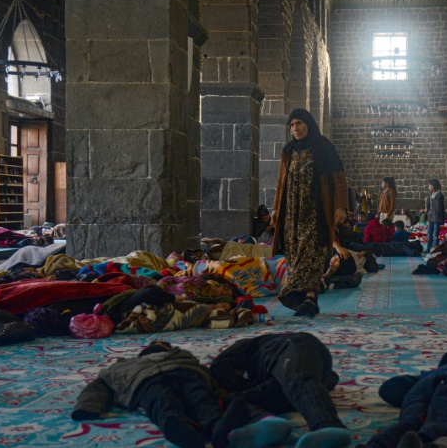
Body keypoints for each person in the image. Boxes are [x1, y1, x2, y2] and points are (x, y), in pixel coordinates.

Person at [72, 341, 227, 448]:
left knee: (200, 396)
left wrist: (226, 396)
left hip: (183, 372)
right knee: (163, 400)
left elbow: (211, 377)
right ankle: (180, 428)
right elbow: (98, 387)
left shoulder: (182, 355)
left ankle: (216, 425)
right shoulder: (121, 365)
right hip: (146, 380)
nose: (158, 344)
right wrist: (88, 407)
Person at [209, 333, 352, 448]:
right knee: (236, 402)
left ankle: (330, 426)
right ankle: (268, 424)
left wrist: (242, 386)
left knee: (297, 379)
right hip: (281, 376)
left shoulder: (253, 346)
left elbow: (218, 365)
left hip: (291, 347)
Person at [270, 109, 348, 318]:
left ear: (309, 124)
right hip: (291, 213)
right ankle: (305, 297)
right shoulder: (288, 151)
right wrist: (276, 208)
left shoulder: (323, 148)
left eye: (299, 124)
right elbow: (280, 182)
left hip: (316, 211)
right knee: (294, 253)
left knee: (311, 252)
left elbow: (338, 177)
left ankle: (310, 296)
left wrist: (340, 207)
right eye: (292, 125)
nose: (295, 129)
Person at [425, 179, 445, 253]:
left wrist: (442, 219)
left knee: (435, 236)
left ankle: (435, 249)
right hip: (431, 216)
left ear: (433, 186)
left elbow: (441, 208)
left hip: (437, 217)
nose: (429, 187)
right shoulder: (430, 195)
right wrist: (426, 215)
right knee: (429, 234)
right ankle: (428, 248)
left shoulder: (440, 195)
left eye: (429, 185)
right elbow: (428, 206)